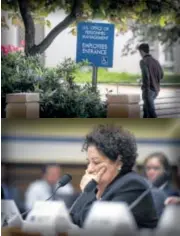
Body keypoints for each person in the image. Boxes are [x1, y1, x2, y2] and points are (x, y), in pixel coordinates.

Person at [70, 124, 158, 229]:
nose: (89, 169)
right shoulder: (106, 187)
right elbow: (73, 216)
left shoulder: (132, 184)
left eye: (96, 162)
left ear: (119, 162)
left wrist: (88, 189)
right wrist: (89, 191)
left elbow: (95, 225)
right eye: (88, 162)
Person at [138, 43, 164, 118]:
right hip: (156, 90)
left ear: (142, 51)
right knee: (146, 111)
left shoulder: (143, 61)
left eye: (140, 52)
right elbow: (161, 75)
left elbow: (146, 75)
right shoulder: (156, 61)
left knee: (151, 113)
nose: (140, 54)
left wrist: (146, 89)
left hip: (148, 90)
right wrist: (154, 80)